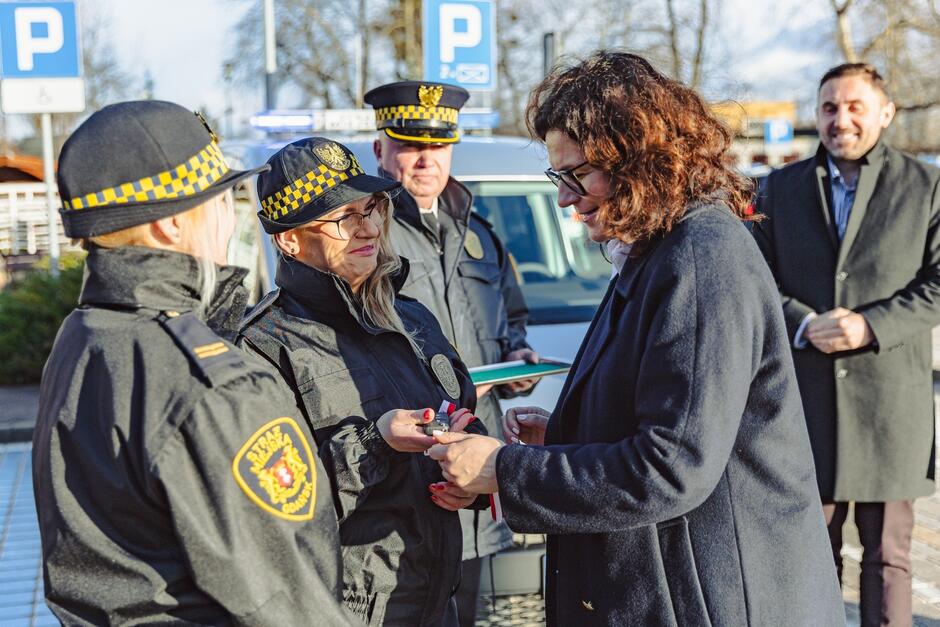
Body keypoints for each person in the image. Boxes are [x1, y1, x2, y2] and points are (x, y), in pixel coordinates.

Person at [427, 51, 847, 626]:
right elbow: (669, 418)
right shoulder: (658, 250)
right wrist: (562, 439)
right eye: (560, 177)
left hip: (710, 598)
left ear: (637, 159)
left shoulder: (699, 258)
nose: (566, 198)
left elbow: (672, 466)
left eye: (576, 175)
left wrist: (507, 469)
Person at [31, 101, 355, 624]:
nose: (229, 218)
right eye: (220, 199)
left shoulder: (84, 333)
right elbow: (286, 598)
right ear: (170, 227)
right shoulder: (214, 384)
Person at [237, 137, 485, 626]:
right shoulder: (261, 347)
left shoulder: (411, 318)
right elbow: (268, 510)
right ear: (290, 239)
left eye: (371, 207)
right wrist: (376, 442)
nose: (368, 227)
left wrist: (466, 473)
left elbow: (458, 413)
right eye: (342, 218)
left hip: (437, 600)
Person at [753, 63, 940, 626]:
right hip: (804, 403)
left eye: (856, 106)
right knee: (809, 554)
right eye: (830, 107)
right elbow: (754, 280)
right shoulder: (777, 189)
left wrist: (870, 325)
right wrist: (801, 323)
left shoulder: (926, 187)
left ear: (885, 112)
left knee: (889, 559)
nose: (842, 120)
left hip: (890, 405)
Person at [364, 80, 536, 625]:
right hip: (413, 475)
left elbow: (512, 321)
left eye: (437, 147)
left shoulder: (478, 231)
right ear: (380, 150)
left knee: (487, 611)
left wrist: (520, 365)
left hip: (483, 468)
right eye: (410, 146)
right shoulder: (368, 239)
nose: (425, 160)